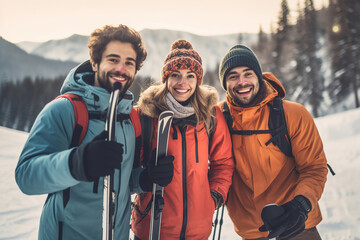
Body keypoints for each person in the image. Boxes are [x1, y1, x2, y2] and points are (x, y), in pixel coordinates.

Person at [15, 24, 174, 240]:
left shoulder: (131, 119)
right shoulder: (65, 110)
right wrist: (77, 163)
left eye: (129, 63)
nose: (121, 68)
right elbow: (26, 176)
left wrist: (145, 178)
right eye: (113, 59)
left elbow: (123, 183)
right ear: (95, 62)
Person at [218, 45, 328, 240]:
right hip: (252, 230)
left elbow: (314, 168)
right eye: (233, 76)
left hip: (297, 223)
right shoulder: (217, 119)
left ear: (258, 76)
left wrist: (300, 205)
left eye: (248, 74)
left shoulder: (293, 114)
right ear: (225, 83)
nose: (241, 82)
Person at [131, 39, 235, 239]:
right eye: (175, 75)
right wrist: (147, 176)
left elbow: (223, 163)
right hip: (152, 229)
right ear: (165, 78)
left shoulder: (210, 116)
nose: (182, 83)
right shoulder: (146, 115)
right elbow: (127, 170)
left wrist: (212, 198)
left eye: (190, 76)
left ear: (198, 80)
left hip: (197, 231)